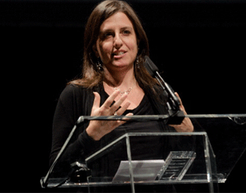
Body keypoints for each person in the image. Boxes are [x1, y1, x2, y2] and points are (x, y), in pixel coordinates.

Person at [49, 0, 194, 192]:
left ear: (138, 41)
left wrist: (189, 135)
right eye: (108, 35)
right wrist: (92, 134)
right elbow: (55, 173)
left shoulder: (160, 95)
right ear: (95, 47)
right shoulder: (75, 95)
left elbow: (193, 166)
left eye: (126, 32)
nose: (118, 42)